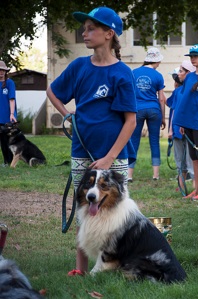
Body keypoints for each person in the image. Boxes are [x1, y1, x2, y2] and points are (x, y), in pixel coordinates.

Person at [46, 6, 137, 275]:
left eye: (91, 29)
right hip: (81, 152)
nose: (84, 33)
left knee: (117, 212)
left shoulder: (122, 73)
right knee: (84, 206)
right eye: (84, 28)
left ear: (109, 33)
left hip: (114, 155)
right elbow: (53, 92)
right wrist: (67, 116)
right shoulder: (78, 67)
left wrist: (109, 158)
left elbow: (130, 121)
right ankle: (81, 269)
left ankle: (121, 264)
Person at [172, 44, 198, 201]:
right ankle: (197, 189)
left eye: (196, 56)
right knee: (194, 158)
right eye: (191, 56)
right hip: (188, 123)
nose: (193, 58)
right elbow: (185, 101)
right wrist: (182, 122)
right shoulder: (189, 77)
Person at [128, 47, 166, 182]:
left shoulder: (134, 73)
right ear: (156, 61)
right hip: (154, 109)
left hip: (137, 109)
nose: (159, 64)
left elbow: (129, 94)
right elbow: (161, 99)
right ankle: (155, 175)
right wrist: (163, 117)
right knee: (154, 141)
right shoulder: (158, 76)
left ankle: (129, 175)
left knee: (133, 141)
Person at [166, 60, 196, 193]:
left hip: (190, 130)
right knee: (180, 161)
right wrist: (171, 130)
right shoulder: (178, 92)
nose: (178, 74)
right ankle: (182, 187)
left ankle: (197, 188)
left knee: (191, 162)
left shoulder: (193, 90)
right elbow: (174, 110)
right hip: (178, 131)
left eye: (180, 71)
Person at [0, 61, 16, 166]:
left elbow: (11, 99)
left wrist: (11, 113)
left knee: (6, 141)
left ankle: (8, 162)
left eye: (3, 70)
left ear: (6, 71)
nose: (1, 72)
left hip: (7, 117)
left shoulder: (10, 83)